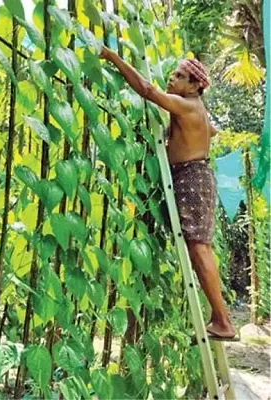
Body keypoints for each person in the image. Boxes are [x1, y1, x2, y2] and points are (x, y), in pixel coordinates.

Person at [99, 46, 238, 341]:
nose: (172, 80)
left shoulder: (187, 105)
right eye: (173, 74)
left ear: (195, 86)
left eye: (180, 76)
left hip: (191, 177)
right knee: (200, 247)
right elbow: (208, 130)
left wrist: (112, 57)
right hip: (194, 175)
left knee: (199, 247)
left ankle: (223, 321)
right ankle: (220, 318)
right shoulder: (195, 108)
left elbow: (147, 90)